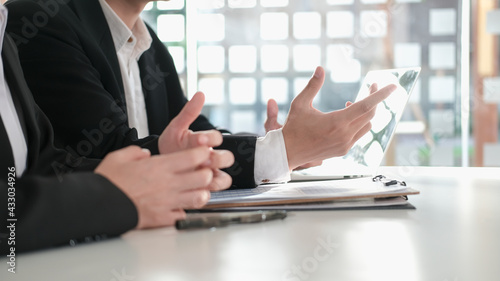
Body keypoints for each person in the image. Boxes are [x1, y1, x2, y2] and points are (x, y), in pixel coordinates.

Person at [5, 0, 396, 188]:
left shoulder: (148, 42)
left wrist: (279, 145)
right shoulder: (43, 21)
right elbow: (109, 151)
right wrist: (279, 153)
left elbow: (193, 133)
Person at [0, 3, 234, 254]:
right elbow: (107, 146)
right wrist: (110, 195)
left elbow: (43, 162)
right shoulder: (38, 19)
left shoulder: (151, 45)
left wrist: (164, 153)